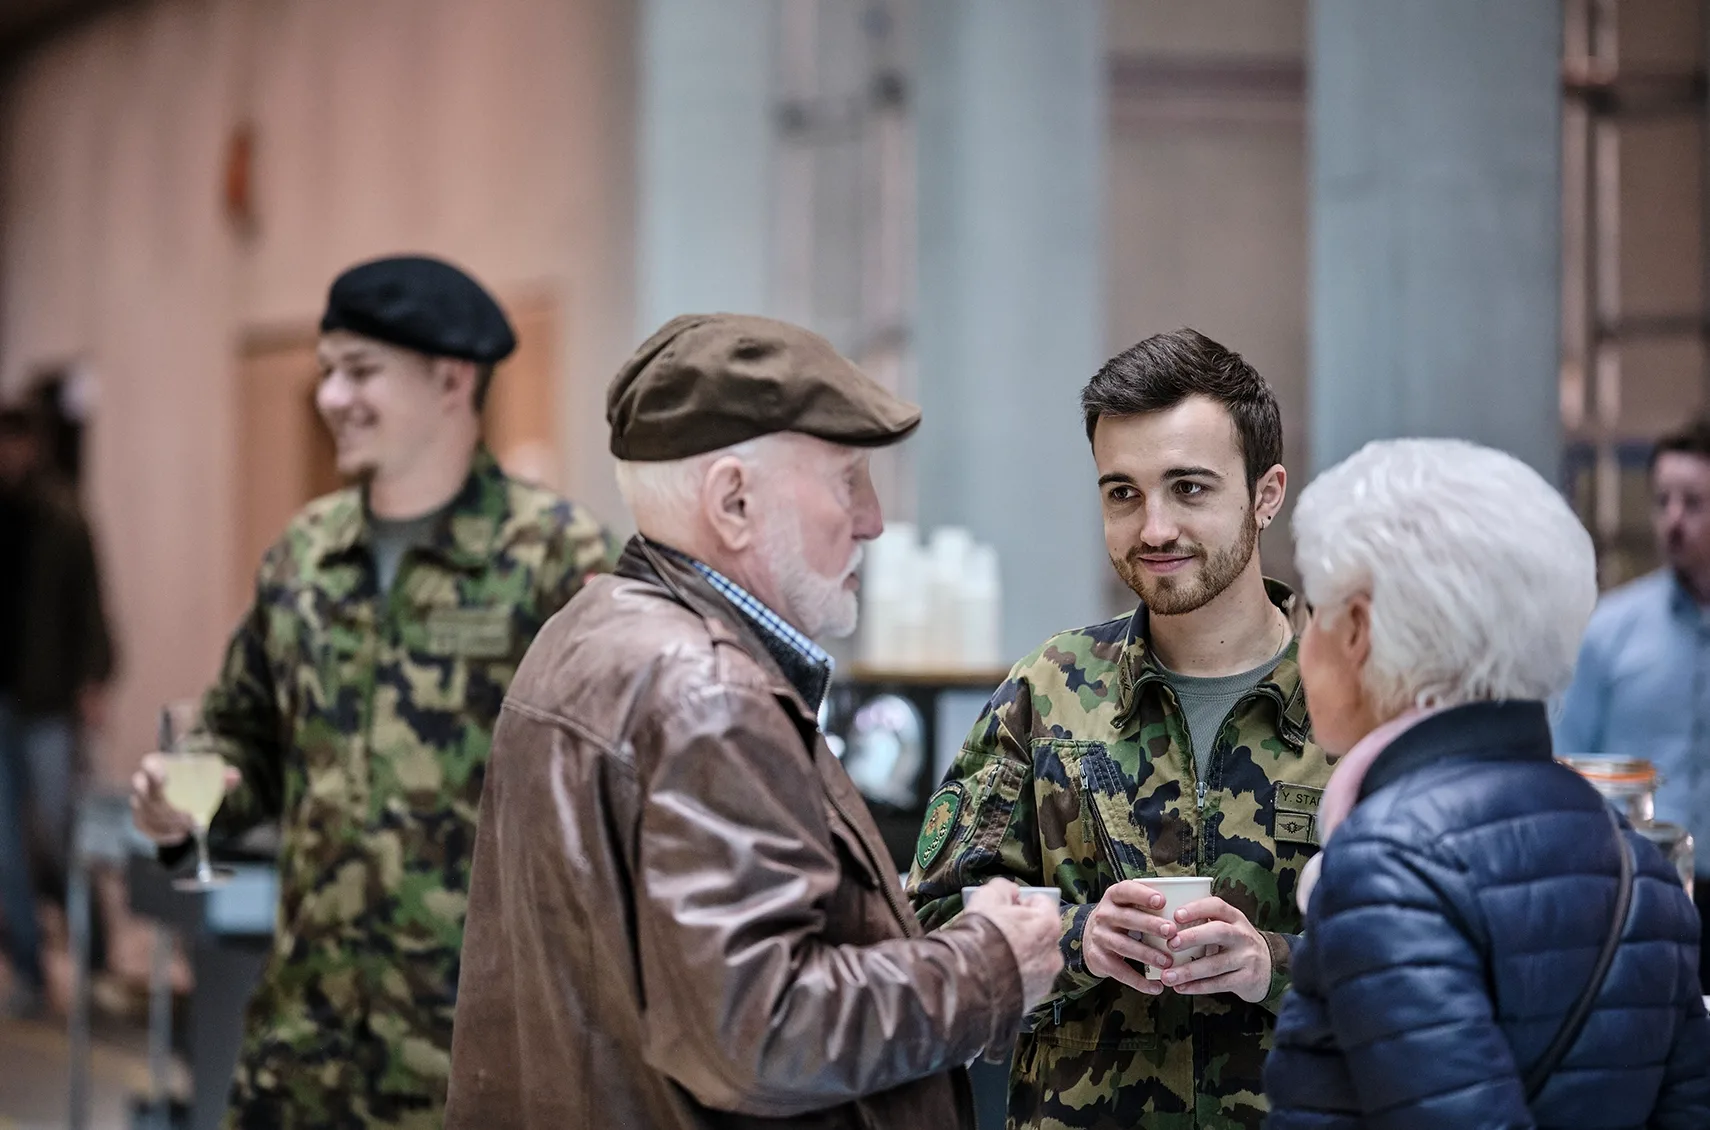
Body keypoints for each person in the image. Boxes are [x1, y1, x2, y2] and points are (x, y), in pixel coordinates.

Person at [444, 313, 1064, 1129]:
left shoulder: (587, 630)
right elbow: (763, 1032)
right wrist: (990, 967)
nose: (873, 518)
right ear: (733, 501)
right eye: (848, 479)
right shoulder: (707, 695)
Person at [128, 255, 618, 1127]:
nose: (331, 398)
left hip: (475, 1060)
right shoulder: (306, 552)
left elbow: (611, 794)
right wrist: (186, 798)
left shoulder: (554, 556)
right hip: (305, 1054)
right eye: (326, 372)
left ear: (451, 380)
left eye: (361, 372)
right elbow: (244, 738)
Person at [909, 328, 1332, 1128]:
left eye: (1190, 489)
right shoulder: (1047, 693)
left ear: (1267, 494)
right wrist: (1075, 940)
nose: (1154, 529)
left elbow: (1428, 957)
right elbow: (927, 923)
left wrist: (1270, 963)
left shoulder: (1350, 701)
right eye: (1123, 493)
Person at [1264, 437, 1710, 1128]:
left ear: (1356, 629)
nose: (1303, 645)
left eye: (1312, 612)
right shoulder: (1640, 863)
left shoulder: (1387, 863)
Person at [1556, 416, 1710, 981]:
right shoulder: (1610, 631)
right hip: (1640, 889)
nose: (1674, 519)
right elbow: (1569, 765)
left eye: (1694, 502)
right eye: (1663, 500)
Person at [0, 404, 114, 1017]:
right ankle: (29, 970)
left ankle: (93, 956)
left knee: (63, 826)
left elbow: (92, 604)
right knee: (5, 846)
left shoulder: (61, 516)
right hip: (2, 702)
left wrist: (94, 680)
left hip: (47, 700)